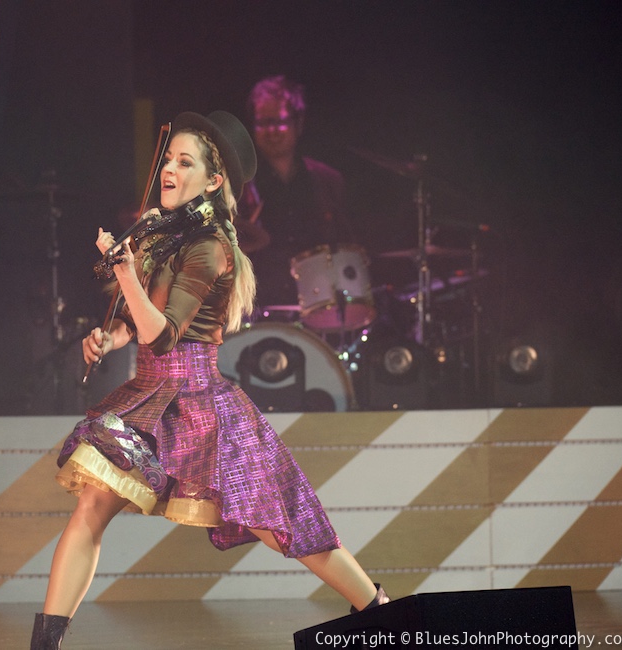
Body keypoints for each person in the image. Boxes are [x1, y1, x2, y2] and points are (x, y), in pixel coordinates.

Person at [29, 110, 388, 649]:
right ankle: (45, 644)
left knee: (281, 524)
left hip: (201, 405)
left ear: (214, 181)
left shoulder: (209, 245)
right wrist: (111, 337)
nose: (169, 169)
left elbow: (165, 334)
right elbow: (138, 323)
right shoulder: (162, 235)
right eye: (168, 159)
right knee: (93, 504)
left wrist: (125, 272)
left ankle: (380, 613)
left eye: (185, 161)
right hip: (149, 395)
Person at [238, 75, 354, 309]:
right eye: (262, 123)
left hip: (319, 306)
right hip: (256, 308)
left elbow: (346, 248)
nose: (271, 131)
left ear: (298, 124)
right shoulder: (238, 183)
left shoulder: (327, 181)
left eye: (279, 121)